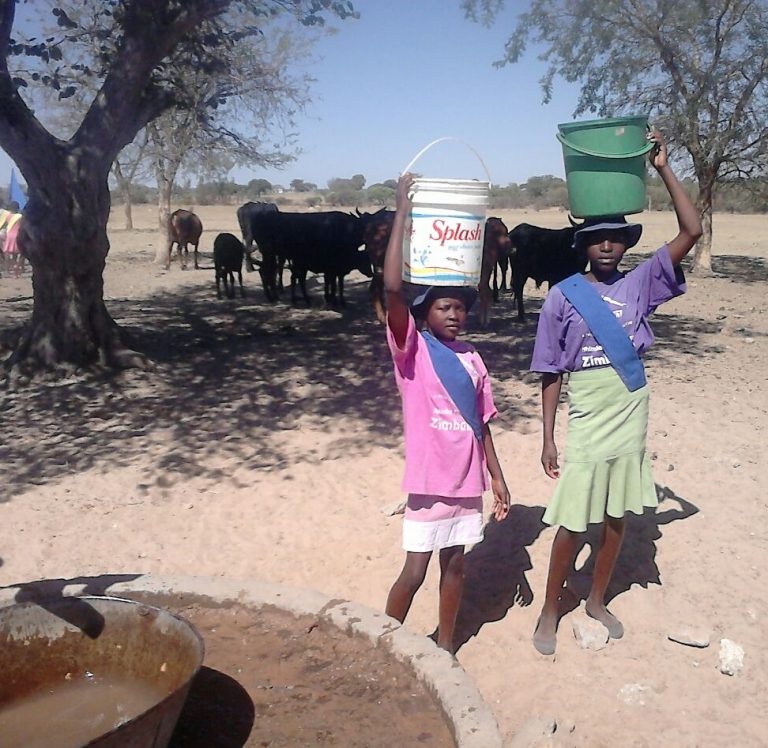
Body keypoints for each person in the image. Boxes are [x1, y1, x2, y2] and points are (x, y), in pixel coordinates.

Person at [530, 130, 702, 655]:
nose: (606, 244)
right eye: (596, 237)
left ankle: (598, 598)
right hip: (587, 416)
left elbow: (692, 229)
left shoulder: (643, 282)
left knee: (615, 517)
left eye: (616, 237)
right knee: (571, 519)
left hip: (630, 411)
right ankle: (549, 608)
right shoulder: (563, 297)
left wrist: (664, 167)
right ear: (582, 244)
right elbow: (551, 372)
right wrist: (548, 437)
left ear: (626, 243)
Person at [383, 172, 511, 653]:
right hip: (428, 482)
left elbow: (482, 425)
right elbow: (393, 288)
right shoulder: (412, 351)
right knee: (414, 571)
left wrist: (497, 477)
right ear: (424, 315)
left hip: (466, 483)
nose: (454, 314)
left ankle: (446, 646)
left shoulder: (474, 360)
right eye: (443, 307)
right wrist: (402, 210)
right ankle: (384, 642)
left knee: (455, 565)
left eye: (459, 307)